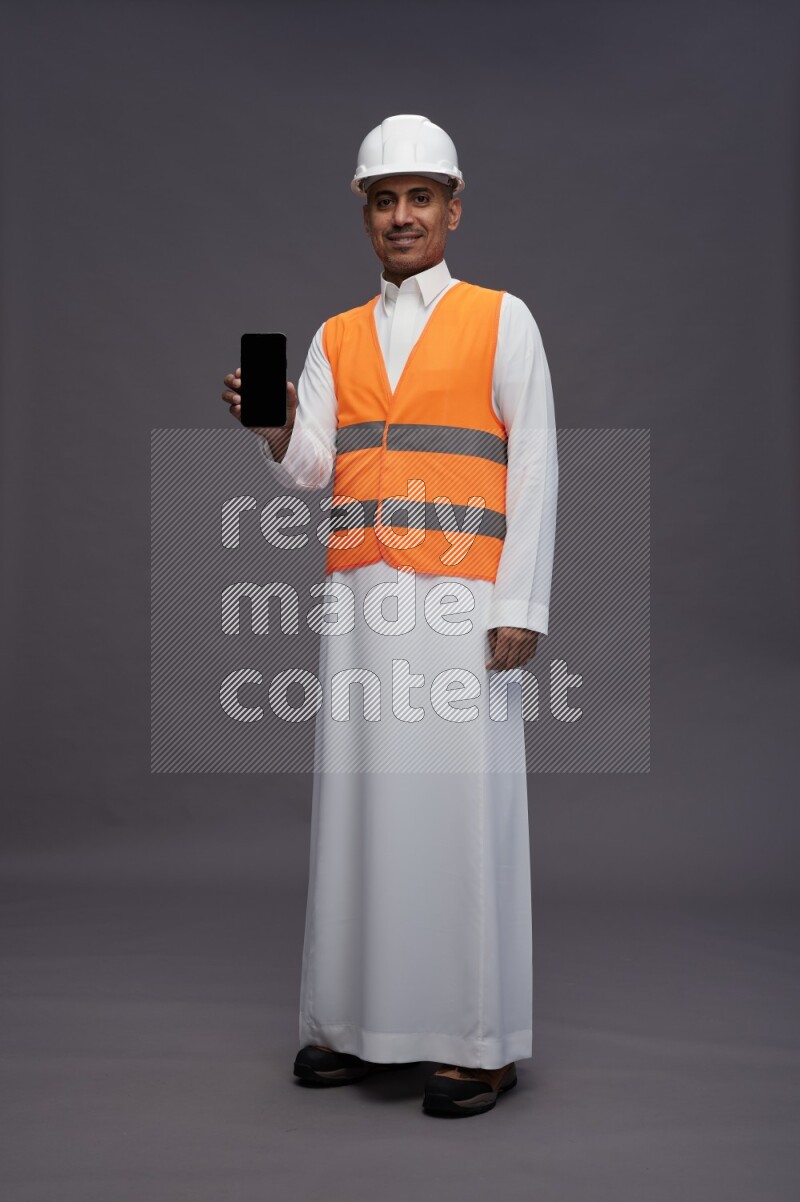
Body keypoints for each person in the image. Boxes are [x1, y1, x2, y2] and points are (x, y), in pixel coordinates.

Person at [222, 114, 558, 1118]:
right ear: (365, 215)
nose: (401, 215)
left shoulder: (502, 319)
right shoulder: (335, 335)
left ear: (452, 209)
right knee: (361, 809)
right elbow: (313, 470)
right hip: (363, 600)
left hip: (465, 604)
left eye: (419, 197)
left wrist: (521, 604)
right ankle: (353, 1025)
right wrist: (277, 426)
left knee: (462, 815)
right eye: (383, 200)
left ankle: (478, 1044)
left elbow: (536, 464)